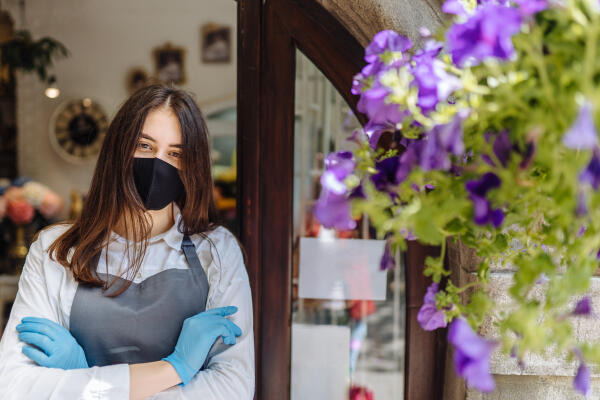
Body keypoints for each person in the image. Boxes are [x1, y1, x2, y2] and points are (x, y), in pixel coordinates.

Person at [0, 84, 255, 399]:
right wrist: (174, 369)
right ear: (118, 149)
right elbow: (14, 387)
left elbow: (232, 390)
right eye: (144, 146)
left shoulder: (216, 251)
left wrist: (84, 380)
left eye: (176, 154)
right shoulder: (56, 249)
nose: (158, 164)